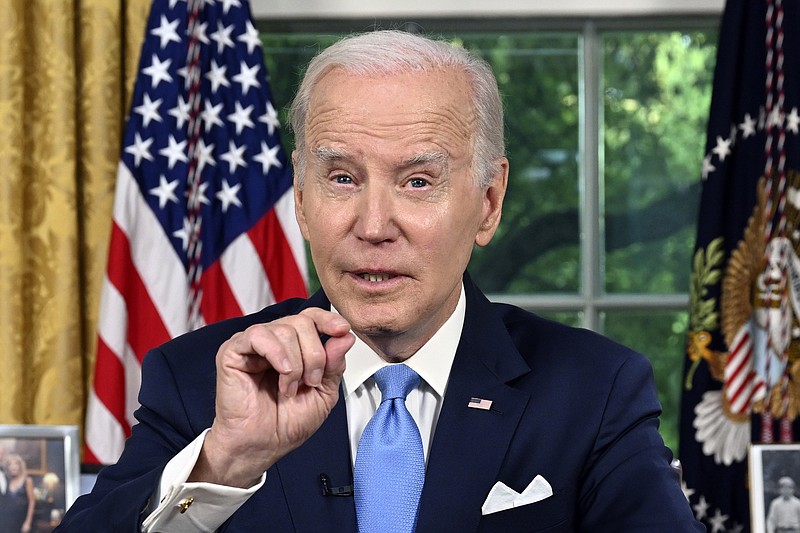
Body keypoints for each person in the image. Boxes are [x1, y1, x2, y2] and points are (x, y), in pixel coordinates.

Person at [56, 30, 704, 532]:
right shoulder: (202, 379)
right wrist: (224, 460)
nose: (373, 225)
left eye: (418, 181)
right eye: (342, 177)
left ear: (488, 201)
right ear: (302, 198)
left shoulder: (594, 389)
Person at [5, 454, 35, 533]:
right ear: (8, 467)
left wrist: (28, 522)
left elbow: (32, 502)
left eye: (16, 464)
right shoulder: (7, 481)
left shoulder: (27, 481)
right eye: (10, 464)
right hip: (8, 520)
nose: (13, 466)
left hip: (22, 519)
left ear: (20, 466)